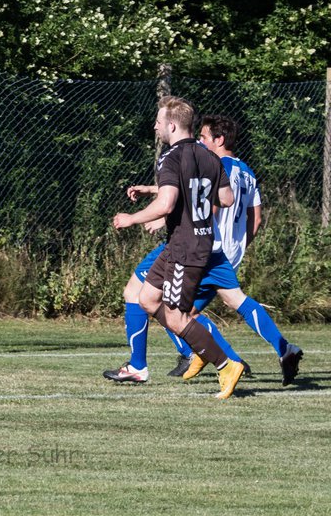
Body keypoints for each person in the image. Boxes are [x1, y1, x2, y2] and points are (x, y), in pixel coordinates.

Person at [105, 114, 302, 387]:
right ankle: (283, 348)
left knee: (144, 296)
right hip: (226, 250)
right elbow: (254, 219)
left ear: (218, 140)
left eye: (205, 137)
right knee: (236, 301)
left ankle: (201, 359)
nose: (200, 141)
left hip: (193, 243)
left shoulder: (211, 161)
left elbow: (205, 203)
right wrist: (240, 247)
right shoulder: (247, 171)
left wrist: (161, 217)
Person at [108, 97, 246, 400]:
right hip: (182, 243)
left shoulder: (169, 157)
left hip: (187, 247)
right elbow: (226, 199)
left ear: (171, 125)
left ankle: (226, 364)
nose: (155, 126)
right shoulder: (209, 156)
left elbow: (167, 202)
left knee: (175, 316)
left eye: (159, 121)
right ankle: (184, 350)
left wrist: (132, 218)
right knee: (144, 298)